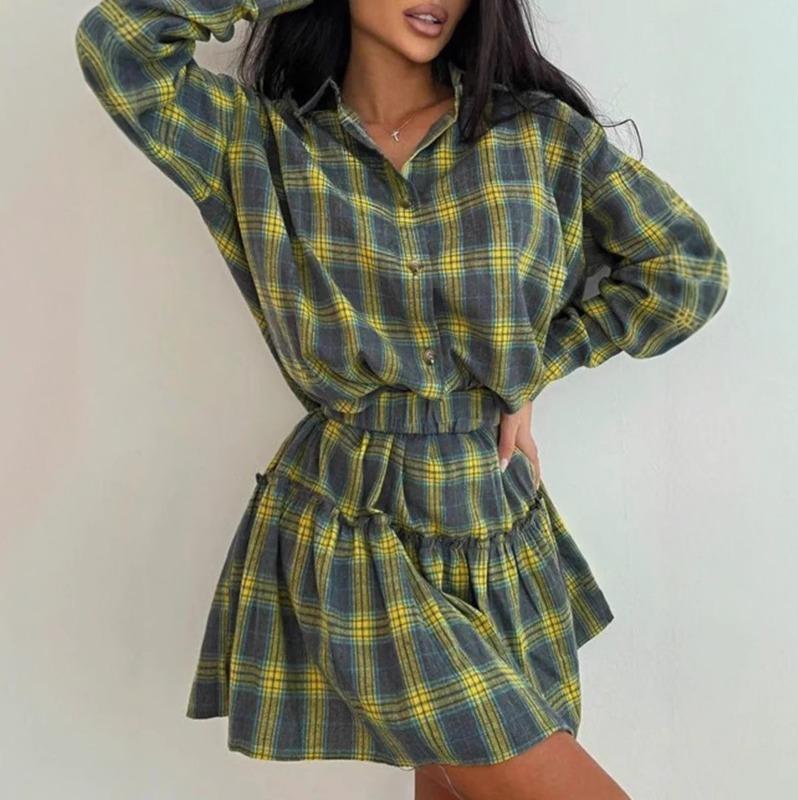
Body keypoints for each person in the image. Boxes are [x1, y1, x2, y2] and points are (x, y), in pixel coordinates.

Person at [74, 1, 729, 798]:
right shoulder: (260, 145)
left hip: (495, 521)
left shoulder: (539, 139)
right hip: (356, 524)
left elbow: (686, 271)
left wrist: (533, 366)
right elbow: (120, 46)